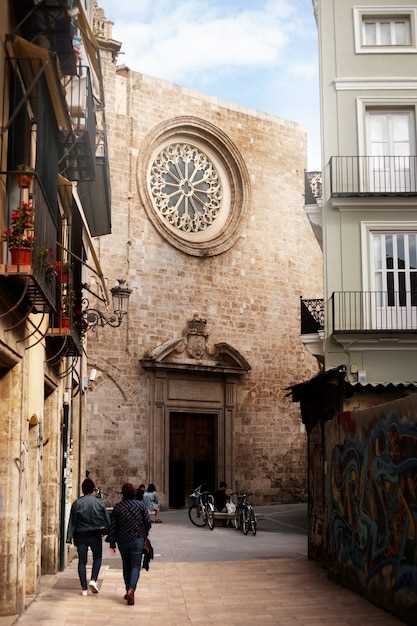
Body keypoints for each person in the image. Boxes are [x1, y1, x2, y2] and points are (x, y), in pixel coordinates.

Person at [108, 483, 151, 605]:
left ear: (123, 494)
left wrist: (112, 543)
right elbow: (148, 523)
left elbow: (113, 527)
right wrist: (144, 534)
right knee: (135, 566)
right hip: (137, 539)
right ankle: (131, 590)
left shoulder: (118, 507)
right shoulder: (141, 506)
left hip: (123, 541)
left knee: (126, 566)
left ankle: (128, 590)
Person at [66, 477, 110, 596]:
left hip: (80, 535)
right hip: (95, 534)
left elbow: (72, 522)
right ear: (92, 489)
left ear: (83, 489)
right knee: (97, 558)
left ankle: (84, 589)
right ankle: (93, 580)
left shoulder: (77, 503)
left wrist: (69, 538)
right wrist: (109, 533)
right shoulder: (99, 502)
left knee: (82, 561)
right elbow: (107, 519)